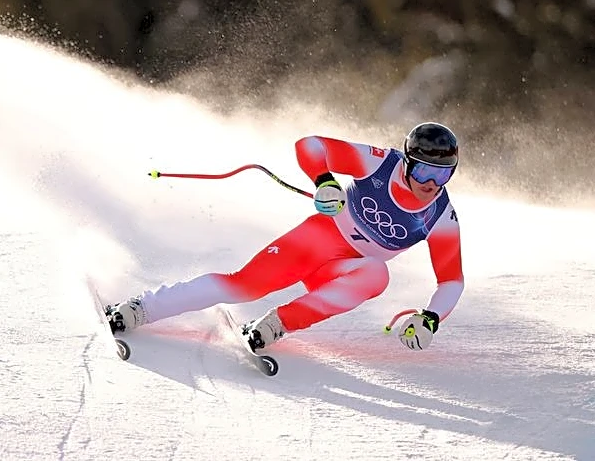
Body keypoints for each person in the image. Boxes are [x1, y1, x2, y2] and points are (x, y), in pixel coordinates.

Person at [107, 122, 464, 351]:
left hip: (342, 270)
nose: (432, 183)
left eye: (443, 174)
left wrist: (430, 318)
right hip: (317, 241)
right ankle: (142, 308)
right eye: (424, 171)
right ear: (407, 162)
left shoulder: (440, 216)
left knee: (377, 274)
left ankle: (277, 323)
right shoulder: (380, 163)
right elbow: (311, 145)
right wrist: (324, 181)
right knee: (245, 286)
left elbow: (451, 280)